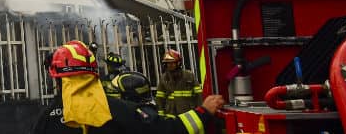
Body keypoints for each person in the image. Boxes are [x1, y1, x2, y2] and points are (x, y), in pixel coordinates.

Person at [30, 40, 224, 134]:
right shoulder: (115, 109)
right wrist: (204, 112)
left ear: (56, 78)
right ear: (92, 72)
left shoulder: (46, 119)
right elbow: (165, 130)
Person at [156, 49, 203, 118]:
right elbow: (160, 98)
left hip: (188, 114)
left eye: (172, 63)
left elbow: (198, 95)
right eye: (168, 63)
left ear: (178, 63)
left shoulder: (189, 75)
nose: (170, 65)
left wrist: (200, 112)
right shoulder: (164, 78)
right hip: (170, 115)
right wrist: (161, 115)